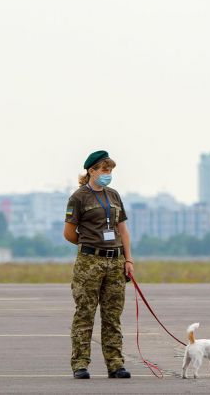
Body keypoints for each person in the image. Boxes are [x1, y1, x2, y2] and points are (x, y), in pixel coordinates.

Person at [63, 150, 135, 379]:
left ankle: (115, 363)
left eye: (110, 170)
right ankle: (80, 364)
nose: (108, 174)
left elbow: (122, 229)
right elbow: (69, 233)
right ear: (91, 170)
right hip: (90, 261)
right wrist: (89, 245)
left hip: (115, 261)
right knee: (85, 313)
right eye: (104, 170)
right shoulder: (78, 197)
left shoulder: (113, 195)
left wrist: (128, 259)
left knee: (112, 315)